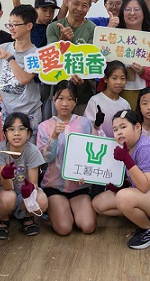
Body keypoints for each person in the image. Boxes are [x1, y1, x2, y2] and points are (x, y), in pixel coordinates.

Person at [92, 110, 150, 249]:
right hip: (148, 196)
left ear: (138, 127)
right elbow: (136, 180)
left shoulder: (145, 148)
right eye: (115, 129)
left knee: (123, 197)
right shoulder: (129, 147)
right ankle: (146, 217)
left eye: (123, 127)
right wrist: (121, 186)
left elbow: (144, 186)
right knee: (98, 204)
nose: (119, 132)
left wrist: (126, 160)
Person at [36, 81, 101, 235]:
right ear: (53, 100)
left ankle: (74, 209)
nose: (65, 103)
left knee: (88, 226)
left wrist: (87, 174)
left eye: (70, 99)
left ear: (76, 102)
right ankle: (59, 210)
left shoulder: (84, 123)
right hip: (54, 185)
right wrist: (54, 137)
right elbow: (46, 159)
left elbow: (94, 153)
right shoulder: (44, 126)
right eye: (60, 99)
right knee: (64, 229)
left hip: (79, 186)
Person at [0, 112, 48, 239]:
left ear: (29, 133)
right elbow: (7, 187)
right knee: (9, 197)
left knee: (42, 200)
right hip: (3, 191)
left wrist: (30, 189)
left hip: (22, 195)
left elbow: (34, 183)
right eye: (11, 129)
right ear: (5, 133)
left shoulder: (32, 150)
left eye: (21, 129)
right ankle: (3, 219)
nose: (16, 133)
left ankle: (27, 217)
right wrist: (6, 176)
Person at [0, 5, 42, 137]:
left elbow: (24, 79)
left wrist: (8, 57)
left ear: (29, 26)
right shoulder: (3, 48)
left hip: (29, 114)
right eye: (9, 25)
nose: (10, 29)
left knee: (28, 154)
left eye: (15, 25)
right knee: (7, 152)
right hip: (7, 113)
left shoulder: (37, 54)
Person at [46, 0, 97, 113]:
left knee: (82, 129)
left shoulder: (93, 29)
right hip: (59, 93)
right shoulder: (53, 27)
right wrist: (63, 40)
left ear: (89, 7)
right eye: (76, 3)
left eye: (84, 5)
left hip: (84, 92)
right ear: (67, 2)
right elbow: (51, 59)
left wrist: (82, 76)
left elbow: (91, 60)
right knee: (59, 130)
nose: (79, 9)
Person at [115, 0, 150, 107]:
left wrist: (143, 71)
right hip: (117, 91)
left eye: (136, 9)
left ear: (144, 13)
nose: (132, 13)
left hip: (143, 91)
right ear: (122, 12)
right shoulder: (114, 36)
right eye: (127, 9)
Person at [84, 61, 131, 137]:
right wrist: (97, 124)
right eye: (114, 78)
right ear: (106, 79)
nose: (119, 82)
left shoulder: (125, 104)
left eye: (122, 78)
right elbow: (86, 127)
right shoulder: (95, 101)